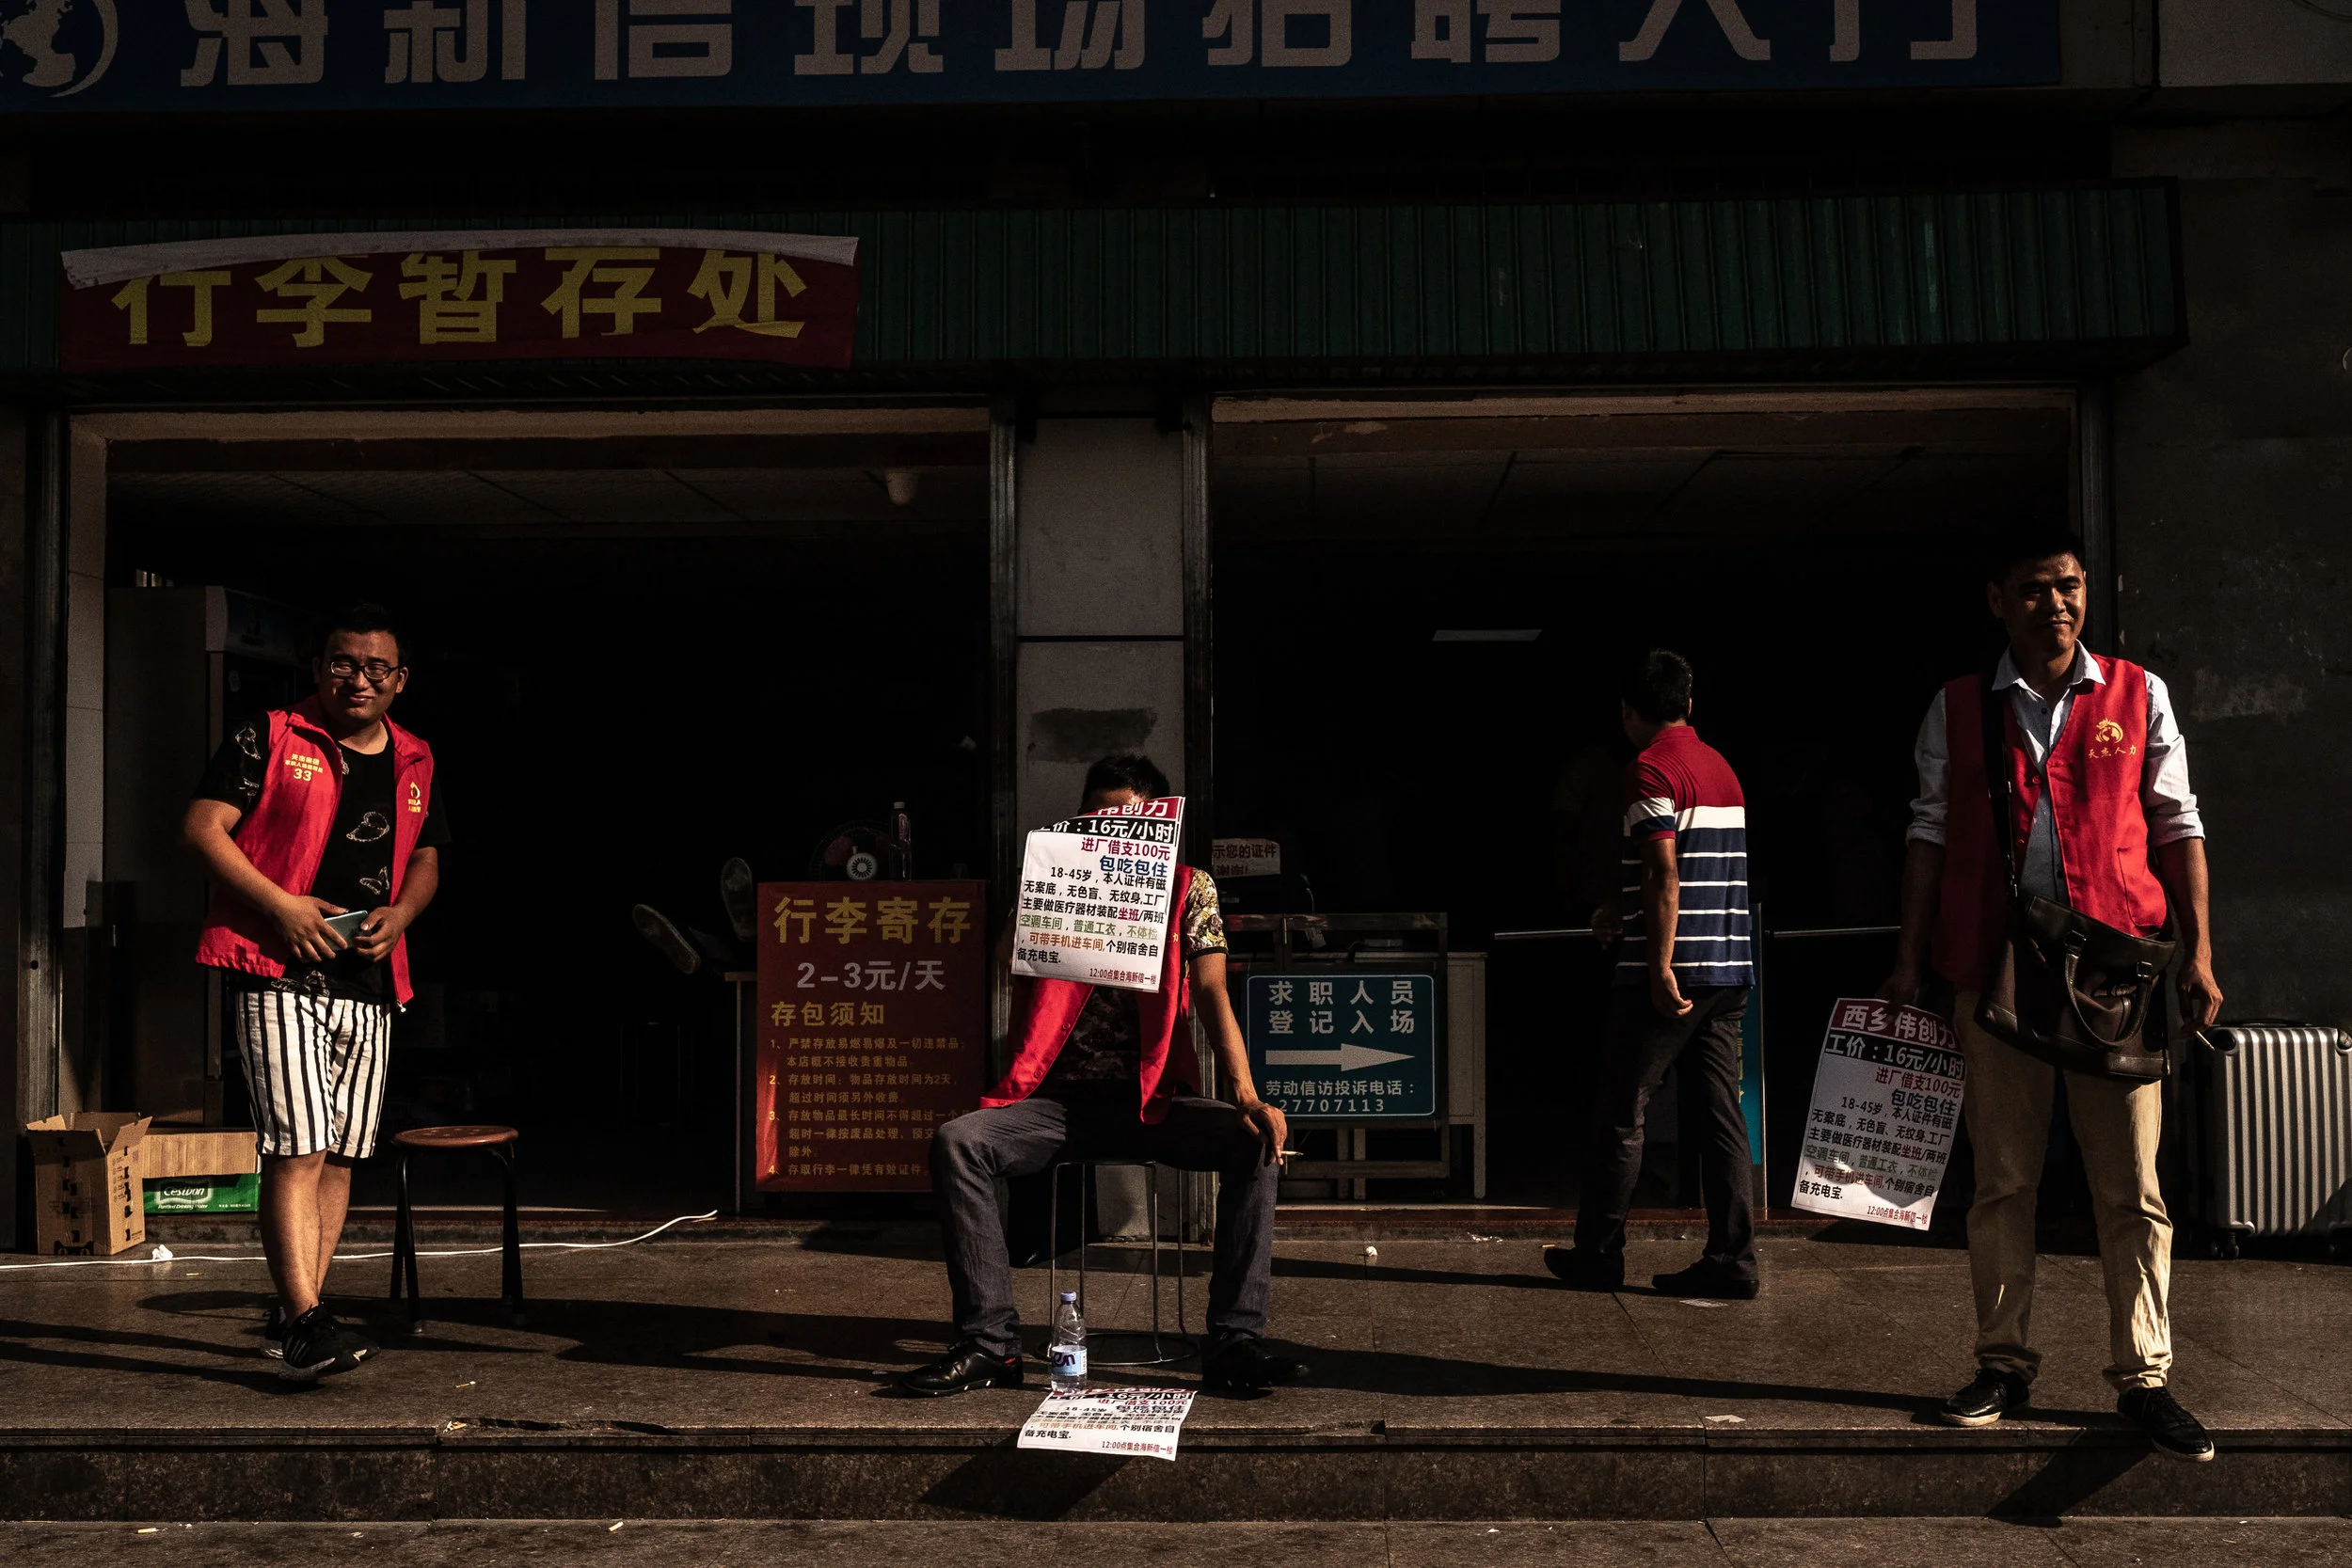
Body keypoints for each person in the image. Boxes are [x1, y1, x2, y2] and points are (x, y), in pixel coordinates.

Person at [1881, 531, 2221, 1461]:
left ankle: (2144, 1375)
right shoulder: (1958, 706)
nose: (2056, 604)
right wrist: (1909, 961)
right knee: (2003, 1182)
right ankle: (2002, 1362)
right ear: (1998, 601)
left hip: (2115, 973)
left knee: (2133, 1187)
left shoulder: (2138, 693)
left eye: (2068, 586)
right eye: (2033, 590)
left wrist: (2198, 955)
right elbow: (1927, 835)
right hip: (1994, 968)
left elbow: (2176, 823)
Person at [901, 752, 1308, 1397]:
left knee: (1255, 1140)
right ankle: (990, 1345)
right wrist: (1047, 885)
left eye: (1127, 820)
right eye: (1096, 818)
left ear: (1157, 823)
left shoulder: (1191, 887)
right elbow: (1010, 959)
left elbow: (1211, 991)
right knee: (959, 1141)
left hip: (1156, 1102)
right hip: (1059, 1104)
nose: (1111, 831)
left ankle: (1235, 1342)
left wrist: (1248, 1095)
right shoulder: (1058, 879)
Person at [184, 604, 449, 1382]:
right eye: (342, 663)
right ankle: (304, 1319)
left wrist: (400, 916)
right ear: (318, 668)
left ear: (400, 679)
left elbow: (427, 857)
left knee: (339, 1154)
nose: (357, 679)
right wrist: (282, 907)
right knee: (297, 1144)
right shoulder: (267, 735)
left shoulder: (415, 756)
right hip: (277, 968)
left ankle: (301, 1311)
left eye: (375, 667)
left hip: (369, 979)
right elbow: (202, 828)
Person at [1547, 650, 1758, 1300]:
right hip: (1728, 965)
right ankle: (1733, 1257)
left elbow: (1665, 870)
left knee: (1621, 1110)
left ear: (1628, 712)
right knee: (1721, 1116)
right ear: (1688, 705)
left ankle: (1599, 1254)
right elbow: (1694, 868)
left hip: (1670, 971)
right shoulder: (1721, 767)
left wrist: (1659, 964)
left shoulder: (1649, 769)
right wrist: (1622, 910)